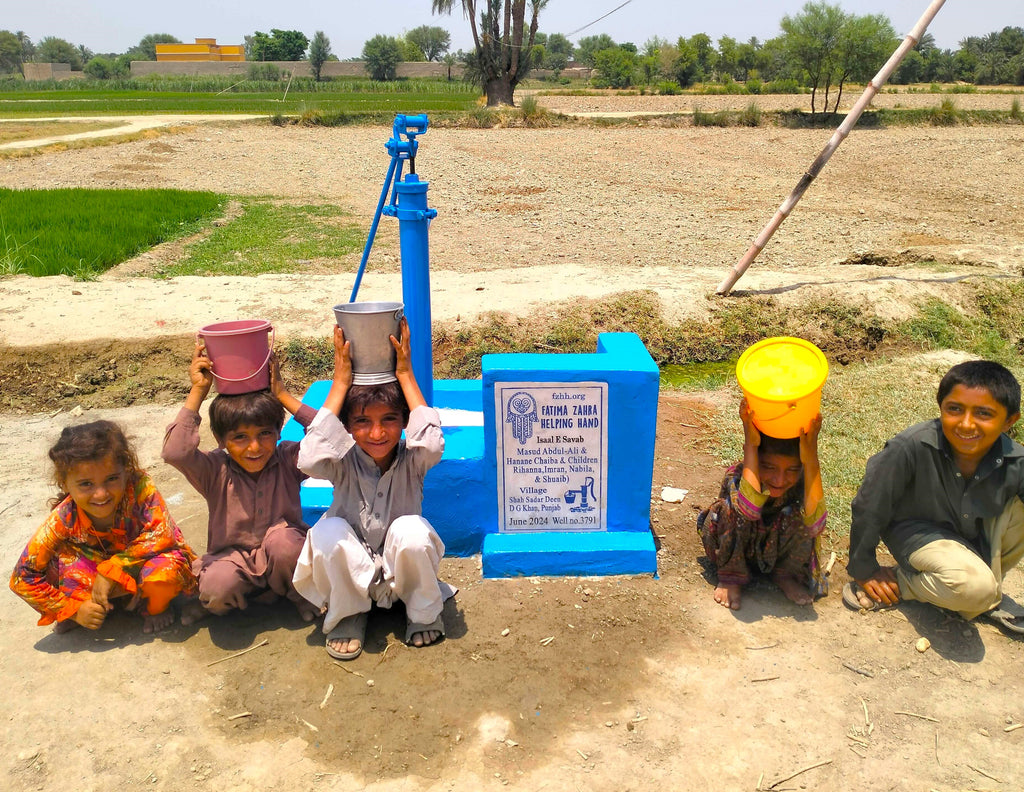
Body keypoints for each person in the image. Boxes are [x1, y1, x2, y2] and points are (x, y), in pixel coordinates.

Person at [292, 317, 453, 660]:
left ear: (405, 422)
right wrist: (340, 383)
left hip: (400, 581)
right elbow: (308, 458)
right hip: (351, 578)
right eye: (362, 422)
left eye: (389, 420)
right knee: (326, 531)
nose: (377, 433)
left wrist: (406, 376)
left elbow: (434, 443)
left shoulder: (414, 459)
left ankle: (423, 613)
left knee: (412, 530)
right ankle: (349, 614)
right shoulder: (342, 460)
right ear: (347, 426)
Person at [845, 360, 1024, 633]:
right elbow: (870, 506)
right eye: (954, 409)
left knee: (978, 588)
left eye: (984, 414)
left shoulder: (1017, 460)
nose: (966, 424)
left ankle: (979, 592)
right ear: (940, 407)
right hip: (918, 534)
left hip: (973, 537)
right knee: (975, 588)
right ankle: (900, 584)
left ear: (1009, 421)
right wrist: (864, 569)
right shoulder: (910, 447)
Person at [162, 341, 319, 624]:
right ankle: (254, 598)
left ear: (279, 431)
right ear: (221, 440)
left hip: (282, 557)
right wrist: (198, 391)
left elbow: (328, 440)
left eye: (265, 434)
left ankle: (298, 595)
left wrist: (282, 395)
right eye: (240, 438)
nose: (255, 447)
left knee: (285, 543)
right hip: (232, 560)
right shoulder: (213, 468)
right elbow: (175, 452)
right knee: (217, 589)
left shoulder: (287, 459)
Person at [11, 420, 197, 634]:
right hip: (93, 577)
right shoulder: (63, 518)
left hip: (140, 568)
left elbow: (162, 533)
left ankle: (153, 606)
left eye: (111, 479)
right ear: (64, 483)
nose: (101, 494)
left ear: (126, 472)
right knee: (57, 561)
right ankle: (86, 608)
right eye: (86, 484)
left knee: (165, 573)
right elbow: (22, 577)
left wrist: (114, 569)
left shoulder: (140, 488)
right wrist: (70, 609)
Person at [697, 399, 827, 610]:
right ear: (755, 459)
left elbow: (816, 526)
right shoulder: (737, 475)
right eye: (768, 467)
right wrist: (751, 441)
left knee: (801, 515)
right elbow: (748, 511)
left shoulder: (801, 482)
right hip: (734, 549)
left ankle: (784, 574)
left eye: (792, 470)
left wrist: (811, 457)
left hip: (772, 553)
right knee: (732, 509)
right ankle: (731, 576)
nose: (779, 480)